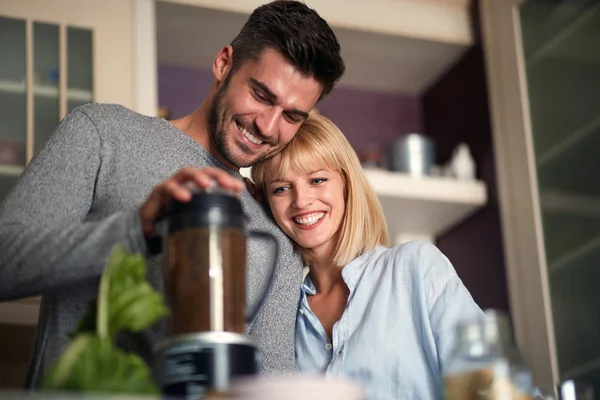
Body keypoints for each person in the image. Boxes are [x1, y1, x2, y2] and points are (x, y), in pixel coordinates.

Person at [0, 0, 345, 388]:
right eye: (262, 95)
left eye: (291, 116)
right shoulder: (103, 133)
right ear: (224, 63)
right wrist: (135, 231)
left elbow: (267, 383)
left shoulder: (273, 233)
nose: (268, 126)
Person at [250, 112, 484, 399]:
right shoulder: (285, 313)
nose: (301, 201)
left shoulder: (416, 267)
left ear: (347, 183)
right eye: (282, 188)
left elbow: (491, 384)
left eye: (318, 180)